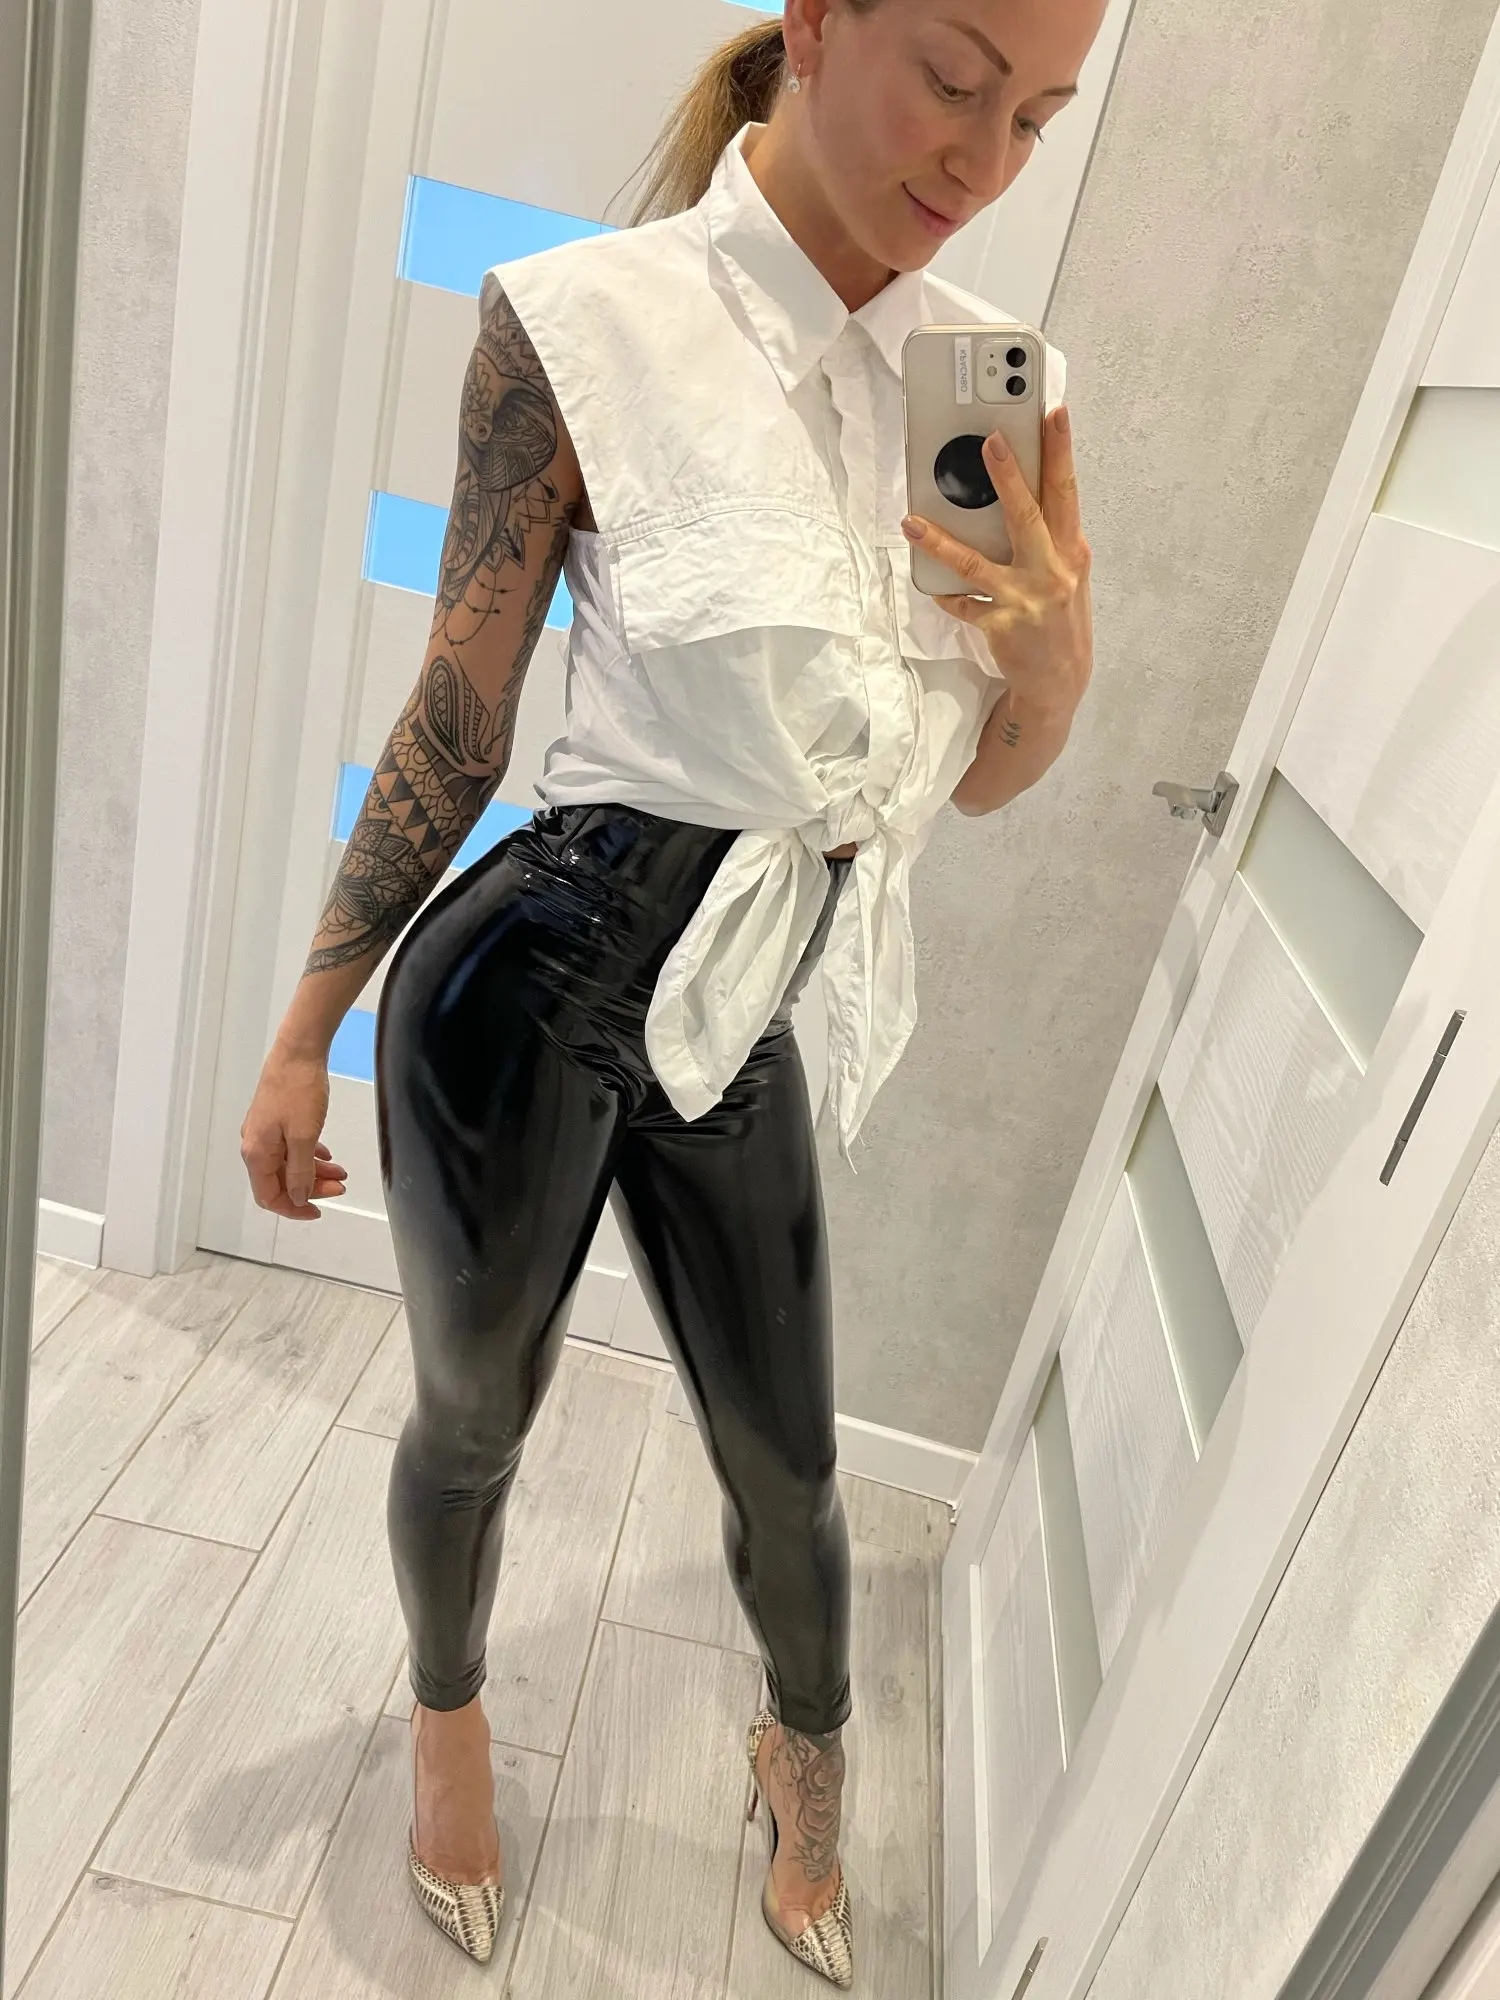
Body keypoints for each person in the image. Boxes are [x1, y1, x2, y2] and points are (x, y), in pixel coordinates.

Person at [240, 0, 1099, 1981]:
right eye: (957, 79)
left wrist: (1054, 667)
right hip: (522, 987)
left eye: (1041, 120)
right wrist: (304, 1030)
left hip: (749, 1009)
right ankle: (447, 1722)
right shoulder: (582, 322)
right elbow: (458, 717)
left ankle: (804, 1751)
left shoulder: (1000, 388)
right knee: (477, 1411)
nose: (984, 163)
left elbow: (974, 776)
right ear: (820, 23)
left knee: (791, 1464)